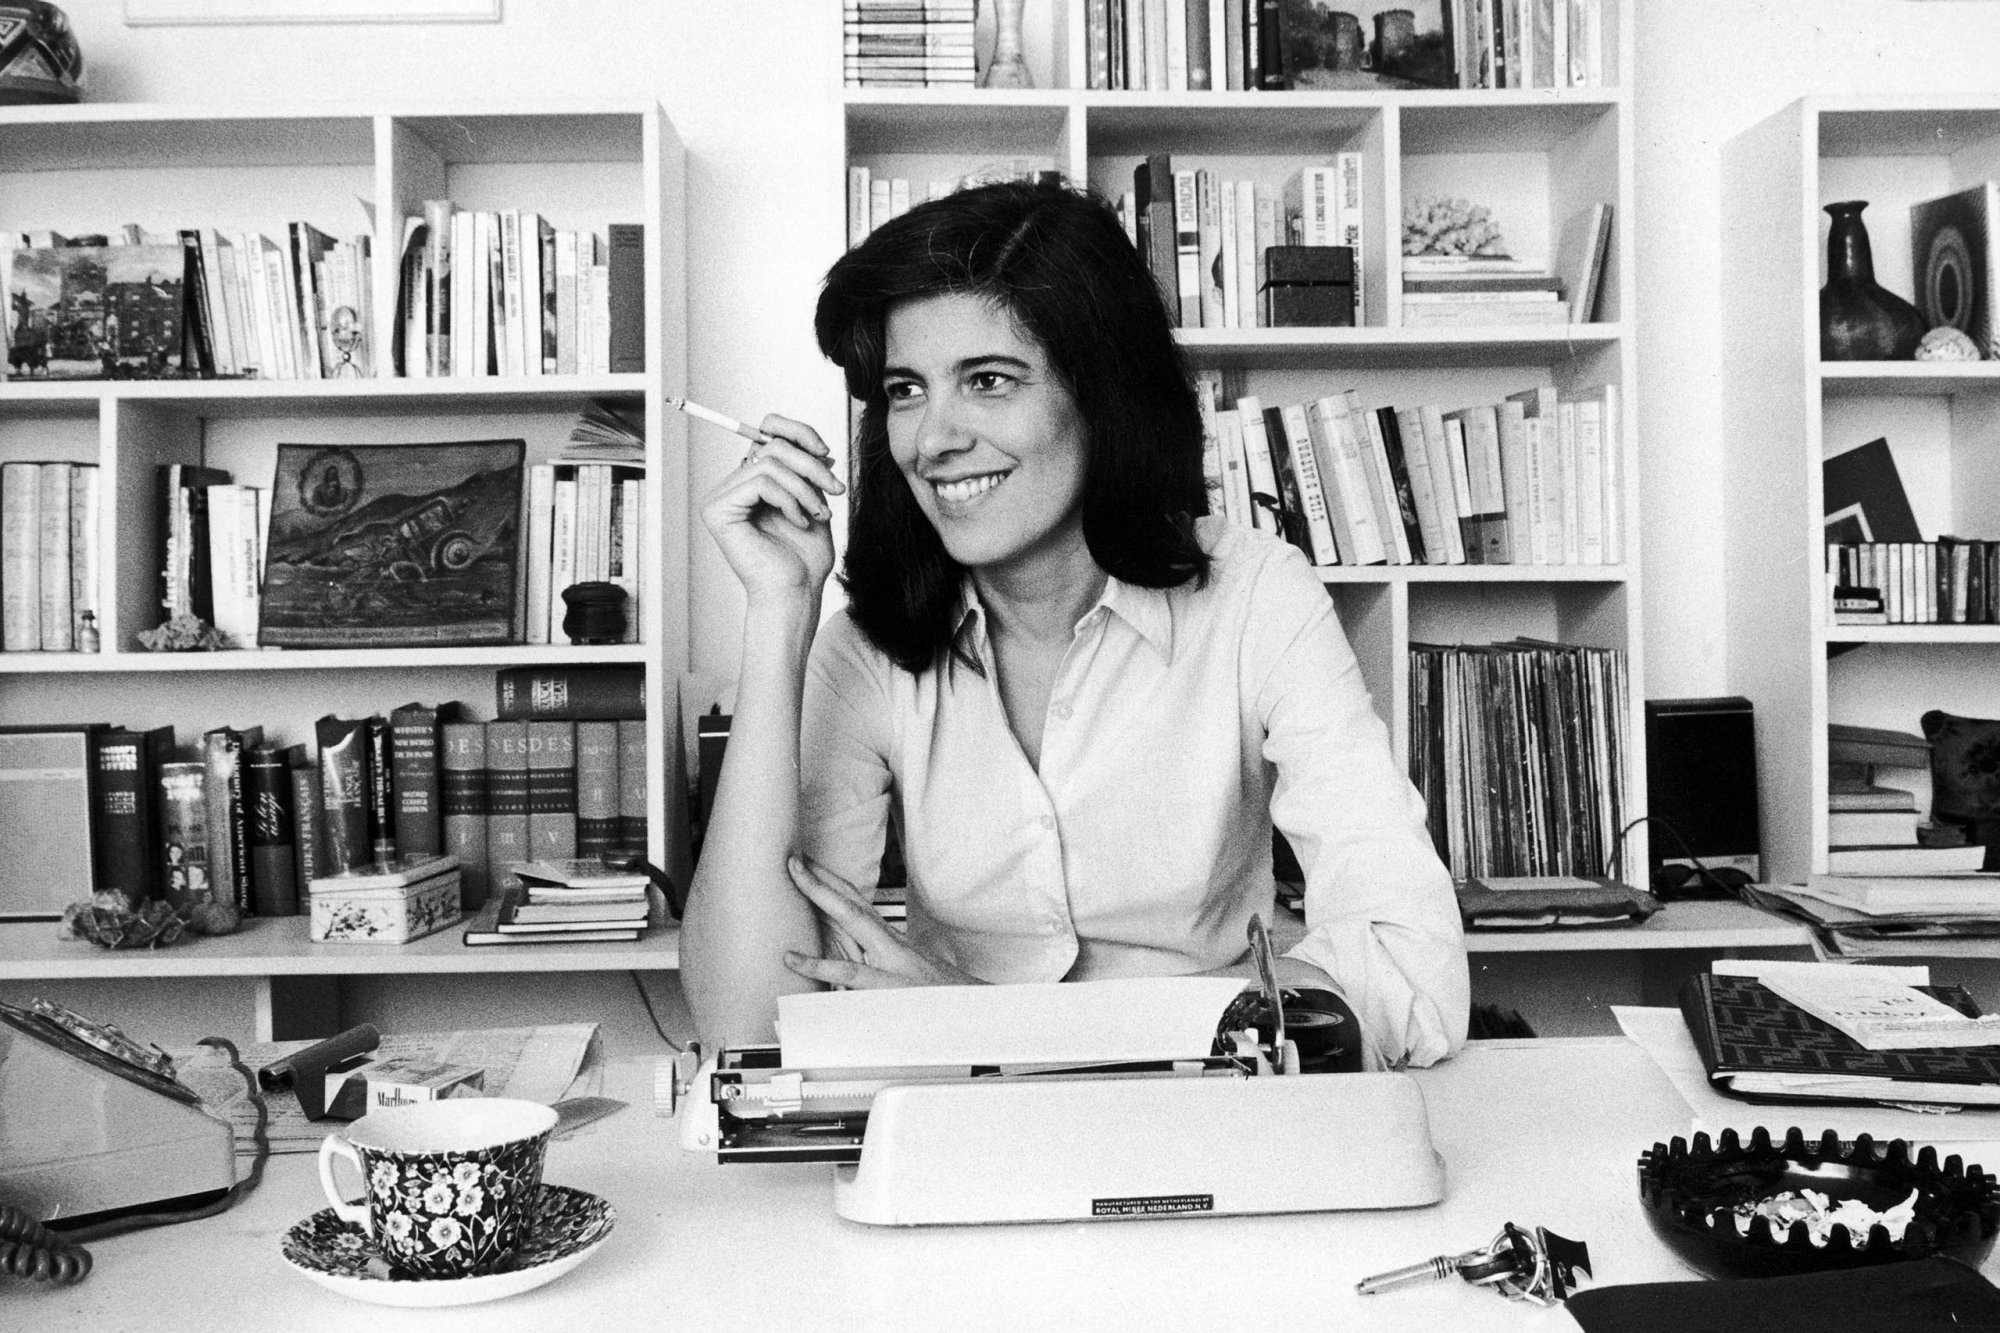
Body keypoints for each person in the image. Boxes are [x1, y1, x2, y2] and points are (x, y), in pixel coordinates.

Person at [683, 180, 1468, 1069]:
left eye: (988, 381)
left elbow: (1414, 969)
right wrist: (778, 610)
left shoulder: (1256, 595)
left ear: (1103, 395)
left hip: (1202, 1119)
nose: (931, 440)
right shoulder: (867, 649)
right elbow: (747, 1028)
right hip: (964, 1126)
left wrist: (1001, 1028)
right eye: (906, 389)